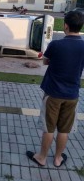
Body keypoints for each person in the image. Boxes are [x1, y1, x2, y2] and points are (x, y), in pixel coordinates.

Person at [26, 11, 84, 167]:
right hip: (72, 94)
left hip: (53, 93)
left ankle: (42, 157)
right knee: (64, 130)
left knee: (49, 128)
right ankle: (58, 158)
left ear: (65, 26)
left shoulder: (56, 45)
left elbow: (45, 62)